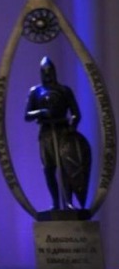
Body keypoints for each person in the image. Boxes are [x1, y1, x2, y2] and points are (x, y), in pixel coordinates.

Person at [24, 56, 91, 210]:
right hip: (46, 132)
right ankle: (55, 203)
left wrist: (72, 127)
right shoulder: (35, 92)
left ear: (54, 71)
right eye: (44, 71)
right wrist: (41, 112)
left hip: (63, 132)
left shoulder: (64, 91)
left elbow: (76, 114)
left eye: (50, 70)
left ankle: (68, 202)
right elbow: (27, 115)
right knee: (49, 169)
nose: (47, 74)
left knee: (66, 167)